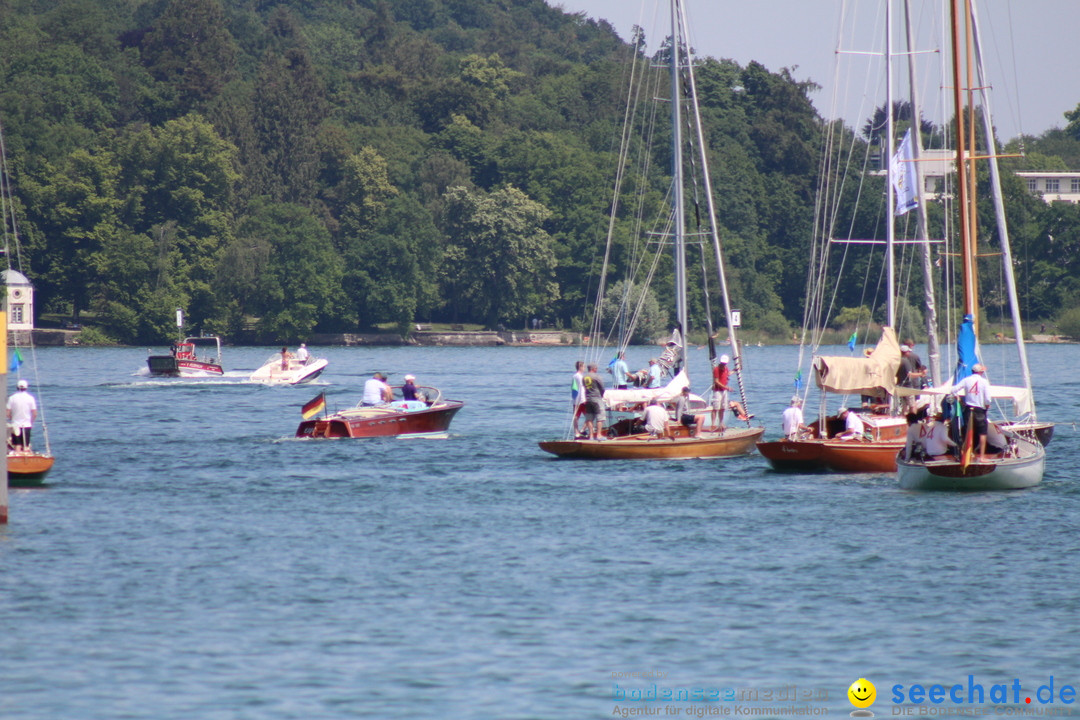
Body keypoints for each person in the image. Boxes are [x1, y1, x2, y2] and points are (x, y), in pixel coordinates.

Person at [956, 363, 992, 458]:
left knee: (968, 431)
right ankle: (982, 457)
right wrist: (987, 405)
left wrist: (959, 400)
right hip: (979, 410)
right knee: (982, 432)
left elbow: (954, 390)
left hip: (968, 409)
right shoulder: (984, 381)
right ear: (980, 372)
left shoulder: (966, 380)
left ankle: (967, 454)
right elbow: (988, 398)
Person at [7, 379, 38, 453]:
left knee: (17, 445)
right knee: (26, 445)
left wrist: (12, 418)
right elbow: (34, 413)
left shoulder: (12, 398)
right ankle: (26, 460)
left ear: (17, 387)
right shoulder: (30, 398)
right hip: (27, 425)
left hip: (15, 425)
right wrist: (31, 422)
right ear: (26, 387)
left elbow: (7, 413)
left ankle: (17, 457)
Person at [896, 341, 927, 412]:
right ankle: (913, 419)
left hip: (900, 385)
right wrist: (921, 374)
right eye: (908, 352)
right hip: (907, 386)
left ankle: (904, 418)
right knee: (912, 405)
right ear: (905, 352)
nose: (909, 353)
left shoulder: (898, 360)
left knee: (904, 405)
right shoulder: (905, 361)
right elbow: (909, 374)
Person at [581, 363, 607, 440]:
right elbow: (602, 387)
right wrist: (602, 395)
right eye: (596, 368)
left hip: (588, 399)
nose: (597, 369)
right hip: (596, 398)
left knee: (589, 418)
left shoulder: (584, 377)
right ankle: (598, 435)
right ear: (593, 368)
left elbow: (584, 387)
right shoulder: (596, 376)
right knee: (600, 417)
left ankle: (591, 436)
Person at [711, 354, 731, 431]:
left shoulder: (726, 369)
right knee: (716, 408)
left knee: (722, 408)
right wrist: (726, 387)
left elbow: (727, 375)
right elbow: (716, 381)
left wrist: (734, 370)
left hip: (724, 391)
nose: (724, 365)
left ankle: (721, 423)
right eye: (723, 363)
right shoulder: (716, 369)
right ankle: (713, 424)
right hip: (718, 391)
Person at [571, 361, 587, 436]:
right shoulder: (580, 377)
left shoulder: (574, 376)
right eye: (583, 366)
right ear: (580, 367)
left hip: (575, 399)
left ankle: (576, 432)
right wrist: (584, 399)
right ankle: (582, 430)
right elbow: (582, 388)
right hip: (581, 400)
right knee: (589, 416)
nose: (584, 368)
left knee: (576, 417)